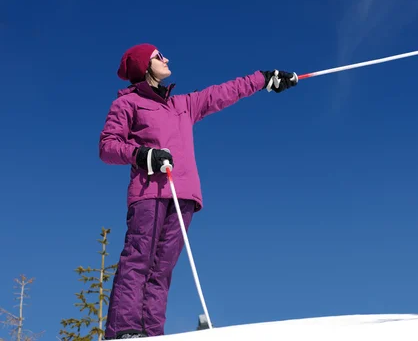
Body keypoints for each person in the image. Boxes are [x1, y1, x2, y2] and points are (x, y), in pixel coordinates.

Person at [99, 43, 298, 339]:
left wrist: (264, 78)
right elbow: (108, 146)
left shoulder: (183, 105)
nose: (166, 59)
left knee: (162, 270)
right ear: (143, 66)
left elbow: (224, 92)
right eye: (157, 56)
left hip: (185, 196)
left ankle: (151, 334)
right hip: (149, 192)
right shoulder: (127, 104)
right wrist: (143, 155)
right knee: (138, 259)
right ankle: (124, 331)